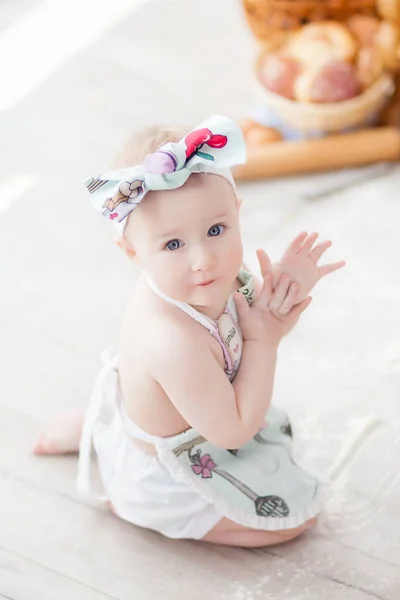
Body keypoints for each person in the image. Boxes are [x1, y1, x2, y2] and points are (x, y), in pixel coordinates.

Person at [34, 115, 345, 547]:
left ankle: (100, 429)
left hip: (195, 413)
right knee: (294, 524)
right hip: (171, 470)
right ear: (131, 251)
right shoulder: (171, 341)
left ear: (237, 214)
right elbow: (234, 429)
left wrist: (280, 298)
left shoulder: (210, 275)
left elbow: (250, 321)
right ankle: (128, 500)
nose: (204, 259)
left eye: (216, 230)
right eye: (174, 244)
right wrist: (266, 340)